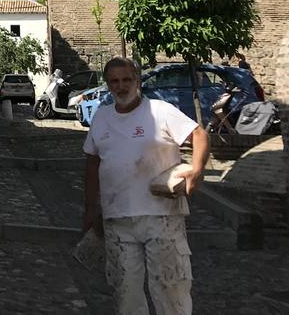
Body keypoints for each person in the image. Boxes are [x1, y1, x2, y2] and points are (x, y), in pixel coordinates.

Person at [82, 57, 209, 315]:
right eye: (114, 81)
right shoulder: (102, 117)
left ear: (137, 81)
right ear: (108, 85)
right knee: (125, 294)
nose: (121, 86)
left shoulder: (160, 111)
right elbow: (92, 164)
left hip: (161, 216)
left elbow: (199, 135)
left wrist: (196, 170)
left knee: (170, 289)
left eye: (126, 80)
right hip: (117, 219)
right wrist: (90, 209)